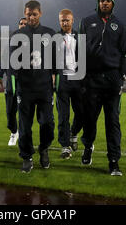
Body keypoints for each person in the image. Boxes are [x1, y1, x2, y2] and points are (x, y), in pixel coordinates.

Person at [79, 0, 126, 176]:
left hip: (112, 79)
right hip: (91, 79)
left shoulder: (120, 25)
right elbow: (80, 50)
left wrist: (122, 75)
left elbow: (125, 52)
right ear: (98, 3)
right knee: (90, 119)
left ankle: (114, 161)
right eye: (102, 0)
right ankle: (88, 146)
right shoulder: (86, 22)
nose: (105, 3)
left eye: (108, 0)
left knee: (112, 121)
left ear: (113, 3)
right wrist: (82, 77)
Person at [10, 0, 56, 173]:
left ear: (40, 13)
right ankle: (27, 156)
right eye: (28, 14)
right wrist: (13, 86)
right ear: (25, 13)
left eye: (34, 14)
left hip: (44, 88)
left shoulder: (50, 34)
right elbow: (12, 63)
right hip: (25, 88)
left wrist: (55, 79)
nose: (31, 17)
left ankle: (44, 148)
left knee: (47, 123)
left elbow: (55, 60)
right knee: (25, 126)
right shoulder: (17, 35)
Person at [55, 9, 85, 159]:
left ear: (72, 20)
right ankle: (65, 146)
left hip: (78, 79)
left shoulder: (81, 37)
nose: (64, 23)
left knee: (81, 113)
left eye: (67, 20)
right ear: (59, 21)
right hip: (62, 80)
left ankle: (73, 133)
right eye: (62, 20)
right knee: (63, 115)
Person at [0, 17, 27, 146]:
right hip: (11, 80)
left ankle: (24, 135)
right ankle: (14, 132)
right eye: (21, 23)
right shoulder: (11, 40)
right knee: (10, 111)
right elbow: (3, 59)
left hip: (26, 81)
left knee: (24, 111)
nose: (23, 25)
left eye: (25, 23)